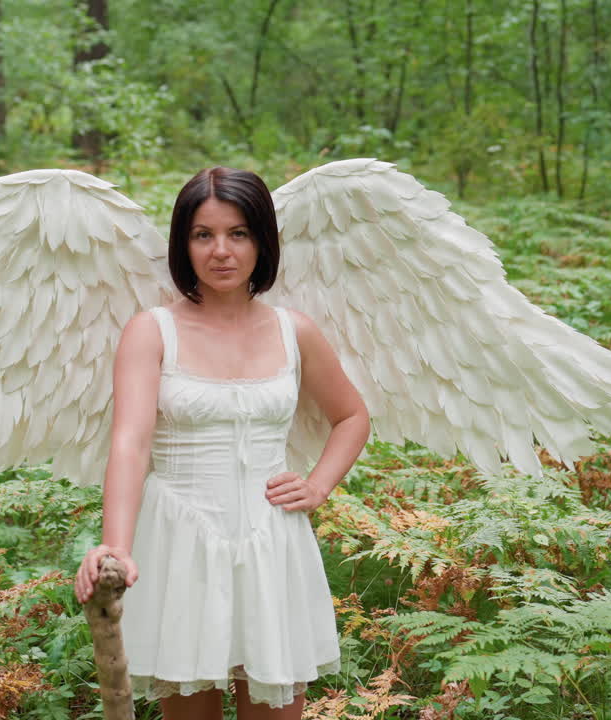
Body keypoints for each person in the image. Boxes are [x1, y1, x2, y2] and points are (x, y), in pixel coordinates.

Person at [73, 167, 370, 719]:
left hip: (272, 541)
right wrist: (116, 546)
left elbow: (351, 415)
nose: (221, 251)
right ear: (183, 245)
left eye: (239, 233)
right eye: (203, 235)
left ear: (263, 240)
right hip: (182, 537)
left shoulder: (293, 330)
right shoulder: (152, 330)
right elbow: (131, 443)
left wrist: (318, 485)